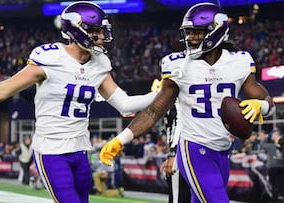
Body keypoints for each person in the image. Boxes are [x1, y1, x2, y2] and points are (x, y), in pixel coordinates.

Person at [0, 2, 156, 202]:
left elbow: (124, 104)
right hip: (51, 150)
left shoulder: (100, 63)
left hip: (80, 150)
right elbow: (4, 89)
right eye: (94, 31)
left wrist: (162, 93)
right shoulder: (50, 58)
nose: (100, 36)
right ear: (76, 30)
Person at [100, 2, 275, 203]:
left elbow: (268, 102)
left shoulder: (240, 62)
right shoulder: (177, 65)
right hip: (194, 149)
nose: (190, 38)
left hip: (223, 150)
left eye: (197, 33)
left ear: (216, 31)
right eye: (189, 32)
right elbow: (154, 110)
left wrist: (260, 106)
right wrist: (121, 138)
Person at [160, 103, 191, 203]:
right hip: (185, 152)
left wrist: (173, 154)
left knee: (177, 198)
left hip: (182, 153)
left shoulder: (177, 104)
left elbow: (180, 124)